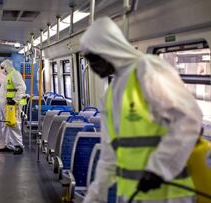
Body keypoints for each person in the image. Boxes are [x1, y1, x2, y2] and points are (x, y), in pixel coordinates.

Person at [80, 17, 202, 203]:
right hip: (131, 195)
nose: (93, 68)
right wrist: (96, 195)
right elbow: (109, 155)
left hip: (168, 194)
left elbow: (188, 119)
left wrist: (158, 168)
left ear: (109, 51)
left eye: (95, 60)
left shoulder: (147, 69)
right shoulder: (111, 94)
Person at [0, 59, 27, 154]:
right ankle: (9, 145)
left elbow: (22, 88)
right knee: (5, 125)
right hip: (5, 106)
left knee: (14, 124)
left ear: (7, 66)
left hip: (12, 106)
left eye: (3, 68)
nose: (2, 70)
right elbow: (1, 92)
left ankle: (18, 146)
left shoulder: (15, 74)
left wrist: (15, 100)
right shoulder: (7, 77)